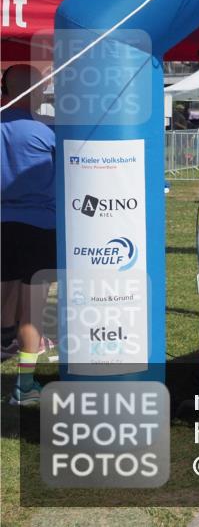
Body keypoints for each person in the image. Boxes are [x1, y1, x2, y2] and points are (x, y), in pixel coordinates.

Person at [1, 65, 57, 405]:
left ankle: (7, 342)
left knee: (5, 294)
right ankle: (23, 386)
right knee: (33, 311)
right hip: (40, 226)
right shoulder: (47, 130)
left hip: (3, 223)